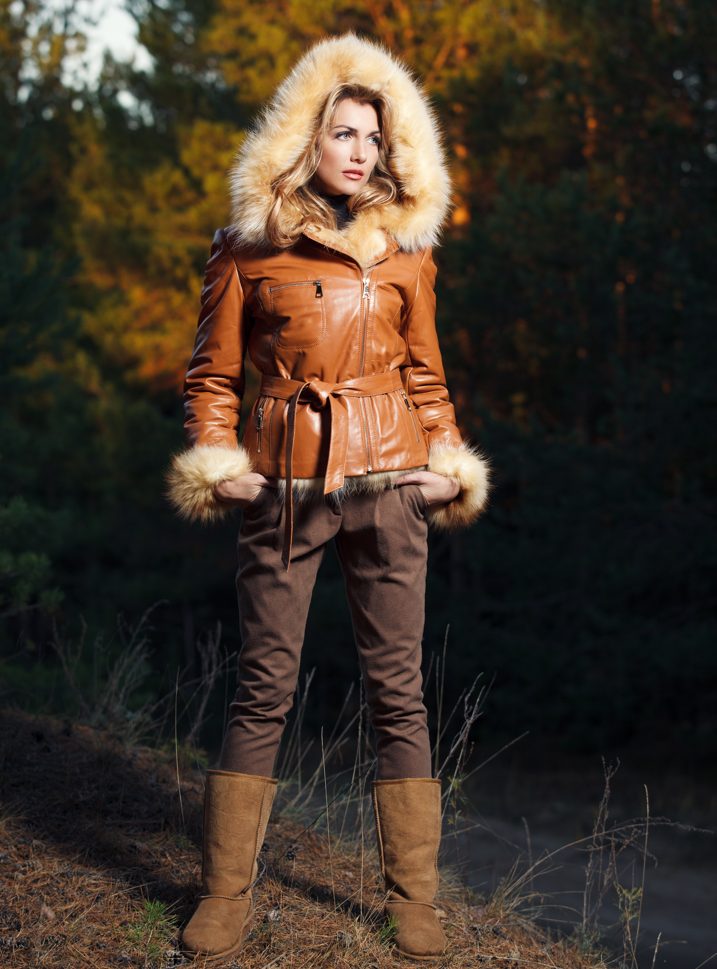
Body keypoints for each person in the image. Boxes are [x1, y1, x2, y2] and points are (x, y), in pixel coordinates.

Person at [166, 30, 491, 963]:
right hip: (284, 486)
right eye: (343, 132)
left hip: (392, 487)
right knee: (264, 683)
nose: (360, 151)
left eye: (374, 139)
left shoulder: (405, 254)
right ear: (307, 138)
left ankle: (412, 900)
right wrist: (219, 459)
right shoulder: (248, 247)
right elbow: (210, 377)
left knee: (398, 692)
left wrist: (446, 463)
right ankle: (224, 891)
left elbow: (427, 377)